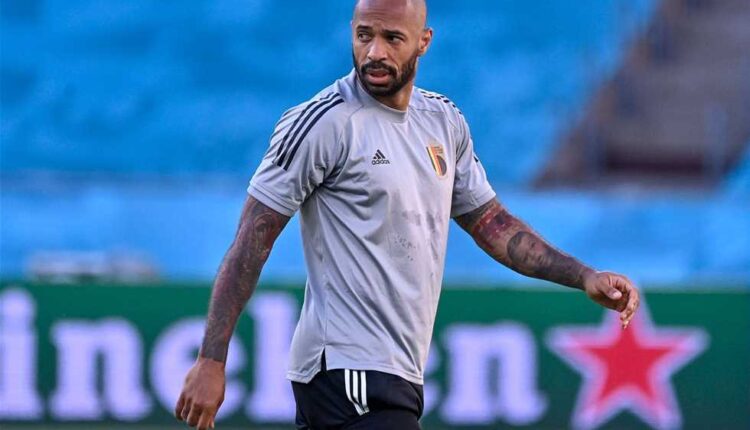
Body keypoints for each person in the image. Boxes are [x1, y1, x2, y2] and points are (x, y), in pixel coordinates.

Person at [174, 0, 640, 429]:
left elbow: (494, 226)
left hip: (397, 371)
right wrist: (212, 360)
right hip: (347, 369)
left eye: (392, 38)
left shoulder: (443, 121)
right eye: (364, 35)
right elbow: (252, 240)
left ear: (423, 41)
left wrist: (583, 276)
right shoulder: (324, 122)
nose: (374, 52)